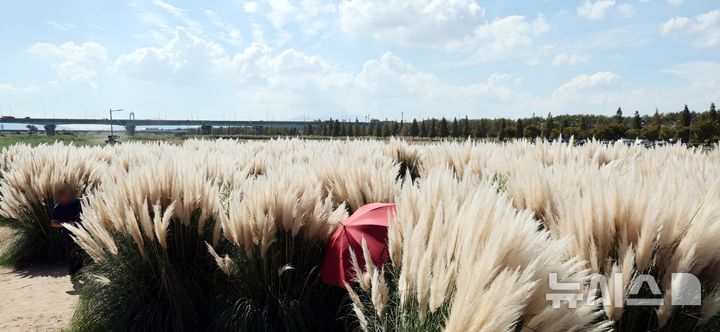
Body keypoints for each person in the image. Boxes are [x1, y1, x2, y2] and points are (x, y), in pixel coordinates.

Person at [50, 186, 84, 277]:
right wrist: (66, 224)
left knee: (79, 249)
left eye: (67, 195)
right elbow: (53, 223)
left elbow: (82, 199)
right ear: (60, 197)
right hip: (66, 232)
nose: (67, 197)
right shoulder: (57, 208)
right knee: (70, 251)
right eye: (64, 196)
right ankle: (72, 272)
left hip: (77, 230)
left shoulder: (74, 202)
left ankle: (79, 270)